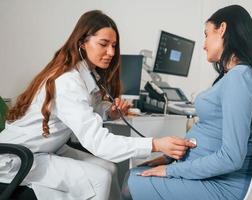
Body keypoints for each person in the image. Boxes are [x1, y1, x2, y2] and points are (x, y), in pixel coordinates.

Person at [0, 10, 196, 200]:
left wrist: (108, 112)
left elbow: (84, 110)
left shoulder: (85, 76)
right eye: (103, 44)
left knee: (109, 168)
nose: (111, 52)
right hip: (18, 157)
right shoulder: (67, 81)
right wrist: (155, 143)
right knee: (99, 179)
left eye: (113, 45)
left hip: (48, 148)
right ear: (82, 43)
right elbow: (99, 143)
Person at [123, 5, 252, 200]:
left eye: (206, 34)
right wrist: (171, 158)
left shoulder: (239, 78)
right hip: (214, 177)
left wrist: (171, 171)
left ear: (222, 29)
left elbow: (231, 157)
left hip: (222, 184)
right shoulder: (237, 77)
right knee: (136, 173)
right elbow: (216, 131)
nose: (203, 44)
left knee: (130, 183)